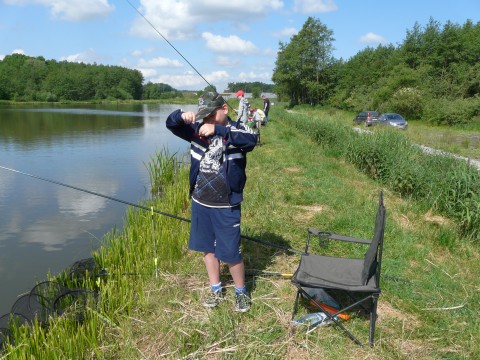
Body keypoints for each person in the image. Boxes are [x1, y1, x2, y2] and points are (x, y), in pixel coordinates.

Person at [166, 93, 257, 312]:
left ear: (224, 109)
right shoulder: (197, 131)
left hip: (226, 204)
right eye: (202, 117)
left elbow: (251, 140)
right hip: (201, 201)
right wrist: (180, 115)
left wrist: (219, 130)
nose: (206, 121)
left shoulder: (236, 130)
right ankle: (215, 289)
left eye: (210, 116)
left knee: (231, 252)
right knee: (208, 249)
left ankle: (240, 292)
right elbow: (171, 124)